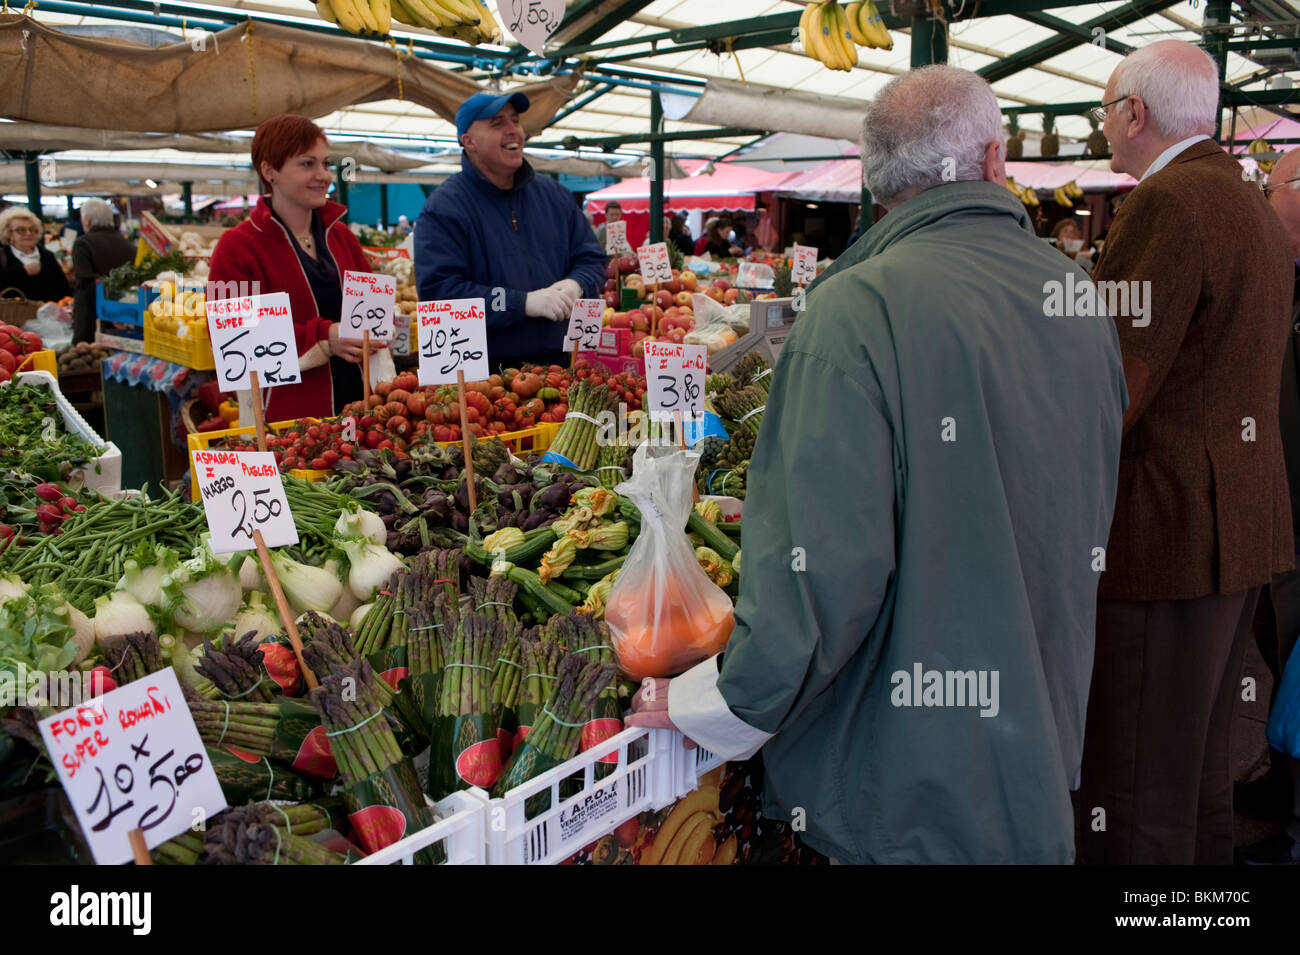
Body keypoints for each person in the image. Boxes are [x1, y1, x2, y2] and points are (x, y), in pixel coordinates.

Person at [627, 65, 1127, 864]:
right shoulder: (1073, 293)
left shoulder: (856, 308)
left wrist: (708, 704)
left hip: (898, 788)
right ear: (996, 161)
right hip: (1034, 739)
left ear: (873, 178)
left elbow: (819, 572)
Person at [1072, 40, 1295, 866]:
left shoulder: (1168, 204)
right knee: (1197, 779)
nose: (1103, 126)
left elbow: (1112, 387)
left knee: (1132, 792)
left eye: (1104, 110)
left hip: (1167, 539)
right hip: (1236, 531)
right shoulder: (1241, 197)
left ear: (1134, 112)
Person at [209, 113, 386, 421]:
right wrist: (322, 337)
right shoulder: (237, 247)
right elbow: (231, 340)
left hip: (364, 413)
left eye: (325, 163)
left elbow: (372, 313)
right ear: (270, 171)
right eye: (307, 164)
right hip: (290, 423)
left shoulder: (341, 236)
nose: (324, 175)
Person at [414, 92, 606, 368]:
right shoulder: (444, 208)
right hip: (486, 371)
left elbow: (591, 258)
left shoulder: (556, 196)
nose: (513, 130)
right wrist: (520, 303)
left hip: (560, 361)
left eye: (515, 120)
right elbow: (441, 291)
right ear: (468, 141)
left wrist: (578, 283)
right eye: (497, 123)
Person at [1233, 150, 1300, 865]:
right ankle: (1282, 789)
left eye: (1269, 185)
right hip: (1277, 503)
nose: (1260, 197)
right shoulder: (1280, 276)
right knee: (1284, 653)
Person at [70, 198, 134, 345]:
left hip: (90, 319)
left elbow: (84, 279)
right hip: (124, 315)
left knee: (87, 359)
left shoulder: (83, 243)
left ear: (86, 220)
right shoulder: (129, 245)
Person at [0, 206, 70, 304]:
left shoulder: (47, 256)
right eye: (21, 230)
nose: (28, 233)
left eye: (32, 229)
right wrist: (22, 272)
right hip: (12, 317)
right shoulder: (2, 256)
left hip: (46, 316)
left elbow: (63, 290)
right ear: (9, 233)